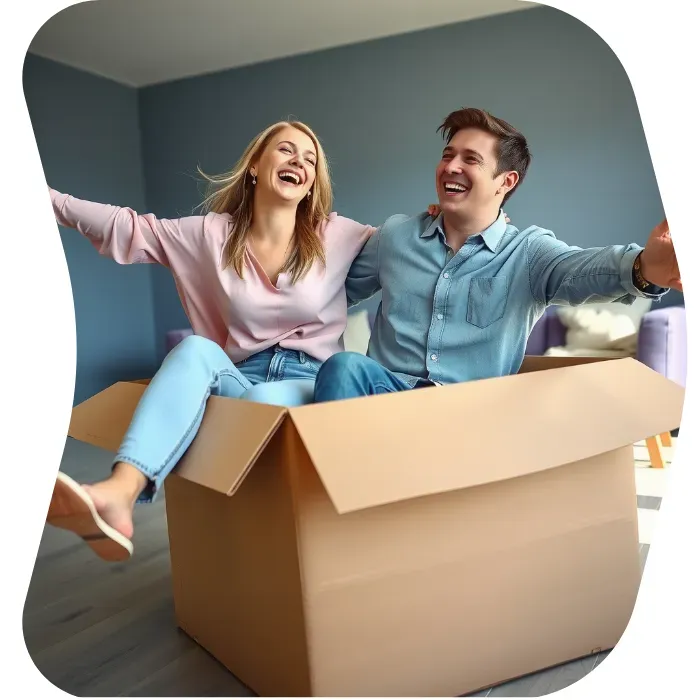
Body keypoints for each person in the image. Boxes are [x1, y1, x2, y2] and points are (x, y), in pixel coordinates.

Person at [47, 120, 382, 562]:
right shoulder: (210, 236)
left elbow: (414, 248)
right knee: (192, 351)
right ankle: (119, 494)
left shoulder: (337, 235)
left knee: (261, 404)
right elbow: (127, 227)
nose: (298, 162)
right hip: (238, 376)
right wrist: (44, 198)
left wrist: (470, 218)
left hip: (310, 380)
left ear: (311, 184)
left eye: (310, 160)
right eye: (286, 150)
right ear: (255, 167)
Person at [313, 107, 681, 402]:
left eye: (470, 159)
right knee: (344, 367)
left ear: (506, 182)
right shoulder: (396, 236)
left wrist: (645, 266)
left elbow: (582, 268)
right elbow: (325, 290)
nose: (451, 167)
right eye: (448, 155)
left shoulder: (528, 252)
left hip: (473, 416)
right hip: (385, 405)